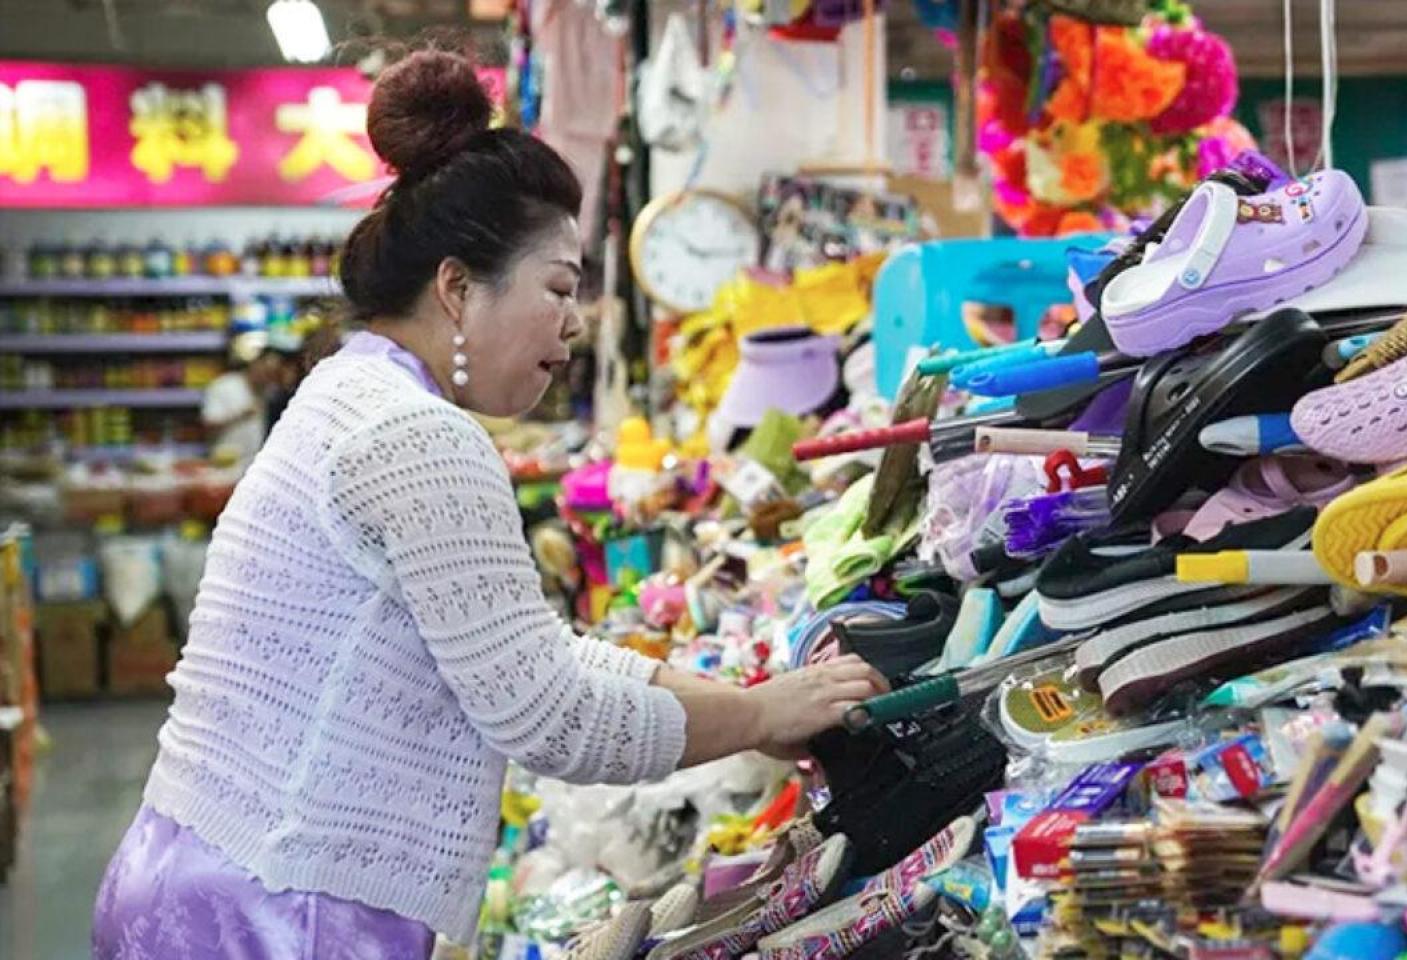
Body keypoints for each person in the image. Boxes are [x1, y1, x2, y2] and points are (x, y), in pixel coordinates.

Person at [93, 49, 886, 959]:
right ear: (458, 287)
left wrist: (748, 702)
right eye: (559, 288)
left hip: (201, 868)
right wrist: (757, 719)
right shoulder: (419, 435)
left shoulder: (349, 391)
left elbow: (524, 650)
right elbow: (550, 716)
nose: (575, 322)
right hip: (281, 909)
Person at [200, 335, 284, 469]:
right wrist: (241, 415)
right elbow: (208, 426)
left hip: (256, 465)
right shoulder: (224, 386)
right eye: (265, 370)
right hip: (226, 465)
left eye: (272, 373)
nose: (268, 377)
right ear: (254, 364)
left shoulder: (272, 393)